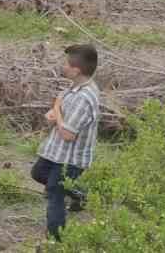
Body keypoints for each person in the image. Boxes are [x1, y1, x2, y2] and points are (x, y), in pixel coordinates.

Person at [31, 44, 101, 242]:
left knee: (54, 193)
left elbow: (68, 135)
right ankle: (80, 194)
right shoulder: (74, 88)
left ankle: (55, 240)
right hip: (56, 151)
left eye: (66, 64)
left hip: (70, 158)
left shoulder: (85, 98)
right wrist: (55, 113)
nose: (63, 67)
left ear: (76, 70)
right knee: (38, 173)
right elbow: (58, 114)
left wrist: (58, 112)